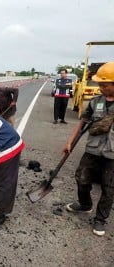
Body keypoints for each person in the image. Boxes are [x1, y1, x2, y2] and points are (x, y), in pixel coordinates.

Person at [64, 62, 114, 236]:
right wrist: (70, 142)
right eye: (99, 84)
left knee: (109, 188)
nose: (100, 87)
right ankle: (85, 204)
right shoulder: (95, 102)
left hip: (112, 155)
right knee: (81, 178)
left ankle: (100, 219)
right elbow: (82, 123)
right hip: (92, 150)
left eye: (104, 85)